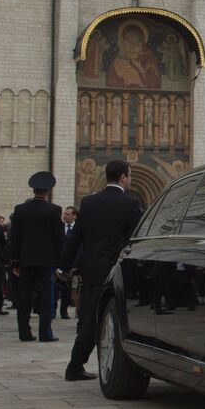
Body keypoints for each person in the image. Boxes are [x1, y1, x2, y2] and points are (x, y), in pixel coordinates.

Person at [60, 160, 143, 381]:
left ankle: (76, 365)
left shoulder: (89, 202)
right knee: (115, 321)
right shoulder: (130, 203)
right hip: (117, 272)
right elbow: (137, 236)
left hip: (92, 271)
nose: (130, 179)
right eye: (129, 176)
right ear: (123, 177)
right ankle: (110, 367)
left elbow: (76, 237)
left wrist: (64, 265)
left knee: (89, 320)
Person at [10, 172, 64, 343]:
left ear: (33, 190)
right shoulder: (54, 210)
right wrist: (59, 262)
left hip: (25, 260)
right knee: (46, 297)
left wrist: (15, 262)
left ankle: (24, 332)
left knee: (24, 297)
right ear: (48, 191)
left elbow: (15, 238)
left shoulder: (20, 210)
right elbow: (59, 238)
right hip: (47, 261)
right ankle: (45, 333)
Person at [58, 206, 78, 319]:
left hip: (72, 263)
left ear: (74, 216)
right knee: (57, 287)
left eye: (68, 214)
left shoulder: (78, 228)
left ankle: (64, 310)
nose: (65, 216)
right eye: (64, 214)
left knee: (68, 288)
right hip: (59, 262)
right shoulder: (59, 227)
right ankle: (53, 310)